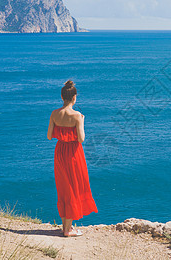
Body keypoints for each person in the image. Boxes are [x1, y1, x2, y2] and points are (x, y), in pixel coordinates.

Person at [47, 80, 98, 237]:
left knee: (63, 188)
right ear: (74, 97)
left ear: (62, 97)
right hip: (74, 154)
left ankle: (65, 227)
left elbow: (49, 136)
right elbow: (81, 139)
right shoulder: (76, 116)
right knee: (73, 187)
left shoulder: (54, 113)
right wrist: (82, 121)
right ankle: (68, 230)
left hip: (60, 152)